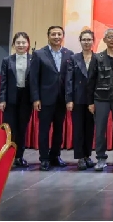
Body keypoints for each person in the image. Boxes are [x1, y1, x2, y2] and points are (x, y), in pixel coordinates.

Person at [29, 25, 74, 171]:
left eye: (59, 34)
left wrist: (69, 98)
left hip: (62, 99)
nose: (56, 37)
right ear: (48, 36)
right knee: (44, 129)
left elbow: (70, 78)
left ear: (63, 36)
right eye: (53, 34)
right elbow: (33, 78)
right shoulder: (39, 54)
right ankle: (44, 158)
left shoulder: (69, 54)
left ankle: (55, 156)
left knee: (59, 130)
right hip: (45, 99)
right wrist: (36, 98)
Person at [87, 28, 113, 171]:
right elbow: (90, 81)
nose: (112, 39)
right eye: (109, 37)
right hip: (100, 98)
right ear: (104, 40)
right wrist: (90, 102)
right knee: (100, 129)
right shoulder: (97, 57)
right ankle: (100, 158)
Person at [0, 32, 32, 168]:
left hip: (26, 98)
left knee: (22, 128)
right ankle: (8, 158)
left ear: (28, 44)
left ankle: (19, 157)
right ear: (13, 45)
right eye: (18, 43)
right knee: (10, 130)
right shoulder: (7, 60)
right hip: (10, 98)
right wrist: (2, 99)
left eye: (23, 42)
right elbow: (3, 81)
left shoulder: (33, 59)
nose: (21, 45)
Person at [65, 30, 97, 171]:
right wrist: (69, 99)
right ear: (80, 41)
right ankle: (80, 157)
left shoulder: (97, 58)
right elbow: (69, 80)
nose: (86, 42)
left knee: (89, 129)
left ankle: (87, 155)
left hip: (92, 100)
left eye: (89, 39)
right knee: (78, 129)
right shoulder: (74, 58)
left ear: (93, 41)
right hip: (77, 99)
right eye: (84, 39)